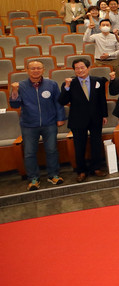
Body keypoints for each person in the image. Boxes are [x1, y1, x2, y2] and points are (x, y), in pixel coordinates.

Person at [9, 61, 66, 190]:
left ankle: (53, 175)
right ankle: (33, 179)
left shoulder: (51, 84)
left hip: (49, 123)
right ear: (27, 70)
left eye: (38, 68)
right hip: (29, 125)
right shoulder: (20, 86)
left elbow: (58, 102)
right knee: (29, 153)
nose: (35, 70)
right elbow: (14, 105)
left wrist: (60, 118)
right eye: (32, 68)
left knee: (52, 150)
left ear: (43, 70)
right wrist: (14, 91)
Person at [58, 59, 109, 182]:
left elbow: (102, 99)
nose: (80, 70)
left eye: (82, 67)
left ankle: (96, 168)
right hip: (77, 119)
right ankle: (81, 171)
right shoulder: (70, 84)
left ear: (88, 68)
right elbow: (62, 101)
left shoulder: (97, 81)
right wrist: (67, 87)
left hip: (96, 118)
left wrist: (104, 115)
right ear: (74, 70)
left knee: (96, 144)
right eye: (77, 68)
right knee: (79, 146)